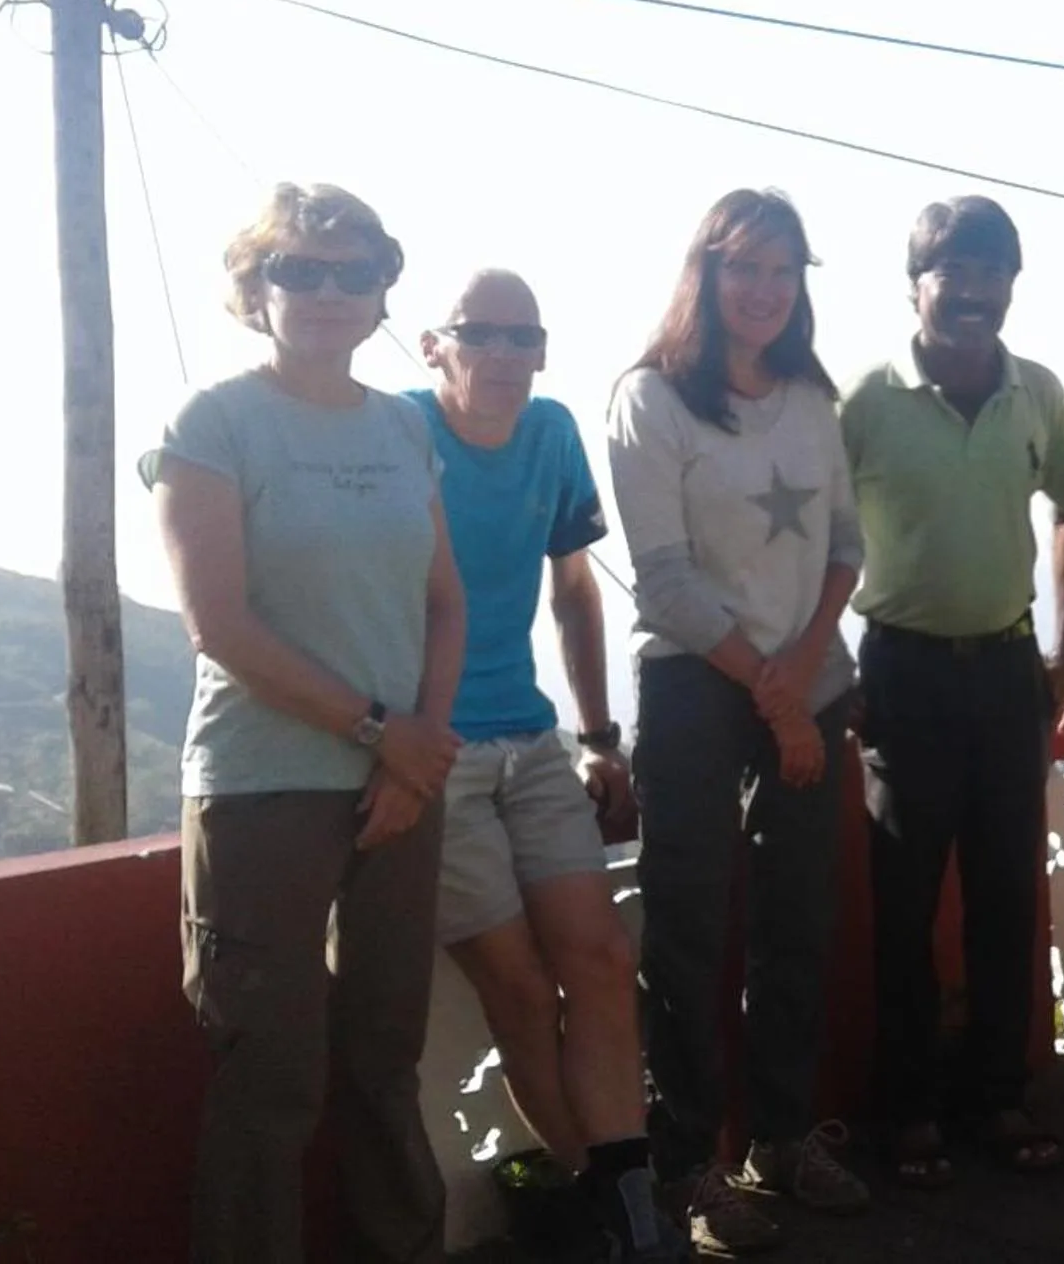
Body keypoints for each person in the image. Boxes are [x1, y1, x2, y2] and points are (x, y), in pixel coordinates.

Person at [148, 183, 465, 1263]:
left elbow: (444, 601)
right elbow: (218, 624)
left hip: (397, 786)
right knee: (271, 1076)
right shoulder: (215, 422)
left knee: (385, 1058)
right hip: (263, 785)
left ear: (383, 291)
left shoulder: (400, 428)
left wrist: (416, 756)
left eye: (354, 270)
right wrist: (386, 731)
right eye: (300, 268)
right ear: (257, 287)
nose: (329, 290)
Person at [607, 188, 866, 1257]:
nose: (764, 289)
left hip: (806, 674)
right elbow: (662, 579)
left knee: (797, 920)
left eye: (784, 269)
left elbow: (845, 545)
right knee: (687, 924)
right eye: (743, 267)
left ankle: (783, 1137)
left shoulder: (811, 394)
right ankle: (687, 1167)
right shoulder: (651, 397)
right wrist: (773, 690)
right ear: (705, 274)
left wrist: (798, 680)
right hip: (694, 685)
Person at [408, 270, 678, 1261]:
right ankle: (609, 1209)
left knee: (602, 963)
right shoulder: (397, 433)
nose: (506, 357)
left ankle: (631, 1207)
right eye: (481, 335)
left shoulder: (553, 433)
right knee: (518, 990)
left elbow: (574, 591)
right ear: (434, 344)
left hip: (532, 741)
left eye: (525, 338)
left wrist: (599, 737)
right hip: (435, 753)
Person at [841, 196, 1064, 1186]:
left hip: (1005, 670)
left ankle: (1000, 1096)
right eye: (956, 271)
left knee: (1004, 894)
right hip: (900, 672)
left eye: (995, 272)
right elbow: (810, 533)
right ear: (916, 285)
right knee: (902, 902)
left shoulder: (1037, 392)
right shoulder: (863, 399)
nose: (978, 289)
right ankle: (905, 1106)